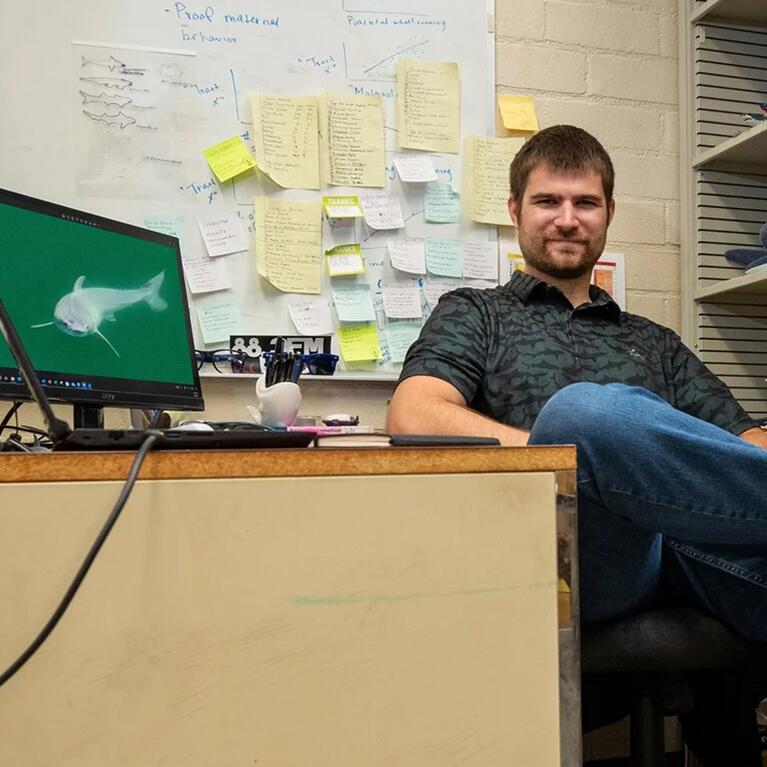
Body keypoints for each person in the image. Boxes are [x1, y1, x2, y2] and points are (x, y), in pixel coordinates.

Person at [387, 124, 767, 643]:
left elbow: (745, 444)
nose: (567, 220)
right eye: (548, 201)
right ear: (515, 210)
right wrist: (573, 459)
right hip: (553, 548)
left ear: (609, 212)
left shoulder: (653, 340)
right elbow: (413, 413)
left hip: (676, 551)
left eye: (585, 203)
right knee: (580, 415)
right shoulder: (475, 312)